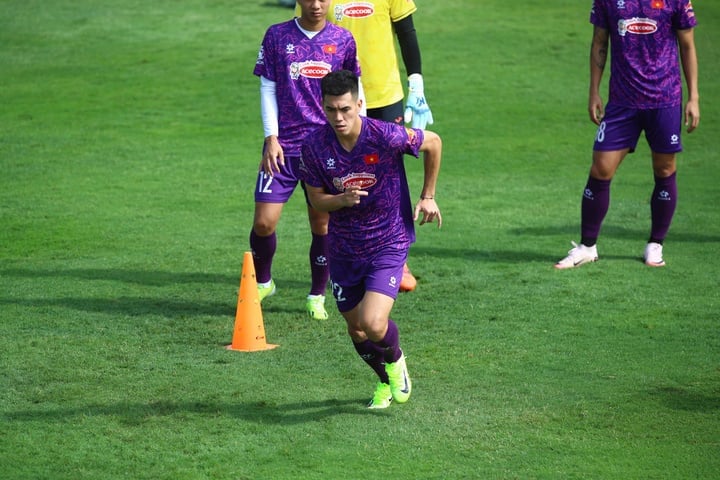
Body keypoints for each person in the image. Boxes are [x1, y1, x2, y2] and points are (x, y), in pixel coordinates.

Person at [299, 70, 442, 409]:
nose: (339, 117)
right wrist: (341, 201)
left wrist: (429, 195)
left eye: (346, 109)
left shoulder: (384, 136)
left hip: (387, 242)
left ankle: (396, 362)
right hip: (344, 248)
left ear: (359, 104)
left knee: (373, 323)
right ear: (323, 107)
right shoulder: (315, 147)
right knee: (357, 330)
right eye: (331, 109)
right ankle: (383, 381)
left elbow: (433, 142)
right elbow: (316, 200)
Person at [296, 0, 433, 291]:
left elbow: (406, 30)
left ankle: (396, 258)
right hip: (338, 101)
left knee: (390, 172)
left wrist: (416, 84)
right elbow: (306, 34)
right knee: (340, 173)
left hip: (384, 92)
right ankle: (346, 255)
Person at [555, 0, 699, 269]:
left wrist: (694, 97)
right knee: (601, 168)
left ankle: (655, 244)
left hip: (665, 99)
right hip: (622, 102)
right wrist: (593, 91)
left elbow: (687, 45)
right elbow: (600, 41)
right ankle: (587, 247)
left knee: (665, 169)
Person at [250, 0, 362, 319]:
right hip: (283, 147)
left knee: (322, 224)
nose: (316, 5)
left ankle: (316, 295)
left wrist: (356, 137)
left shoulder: (343, 40)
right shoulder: (276, 35)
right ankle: (264, 281)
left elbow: (354, 93)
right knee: (263, 222)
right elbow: (267, 87)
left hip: (324, 149)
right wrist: (271, 137)